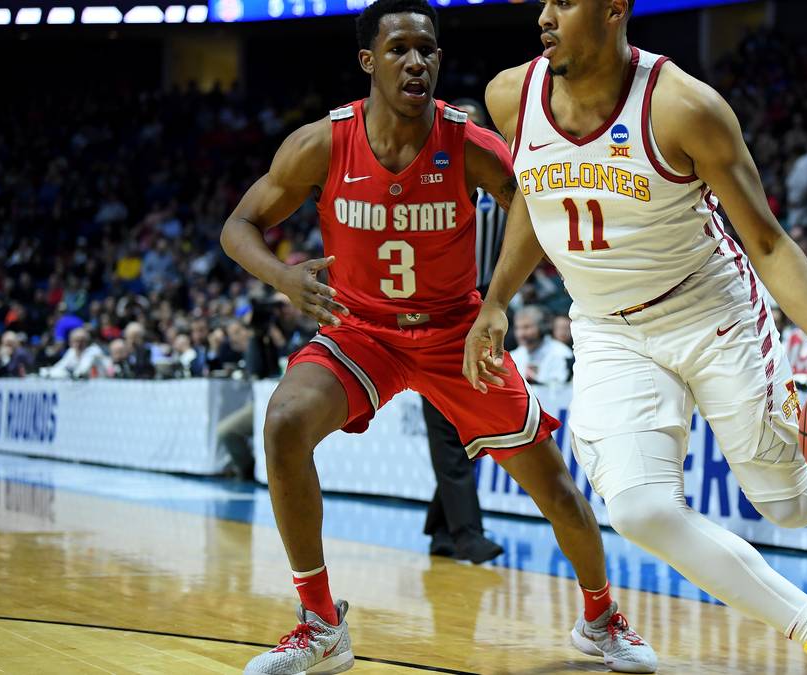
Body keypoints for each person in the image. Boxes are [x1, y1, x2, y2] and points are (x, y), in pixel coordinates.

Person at [465, 2, 807, 671]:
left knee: (785, 501)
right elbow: (539, 205)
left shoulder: (684, 106)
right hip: (605, 327)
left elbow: (767, 243)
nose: (544, 15)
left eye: (564, 1)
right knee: (638, 508)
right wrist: (497, 299)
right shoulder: (511, 95)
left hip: (710, 311)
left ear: (613, 10)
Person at [221, 3, 655, 673]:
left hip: (456, 333)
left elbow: (535, 213)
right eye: (399, 50)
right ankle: (320, 623)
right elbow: (239, 226)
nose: (416, 61)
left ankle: (601, 616)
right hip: (362, 334)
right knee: (282, 421)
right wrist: (283, 276)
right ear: (370, 61)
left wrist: (500, 302)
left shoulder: (468, 142)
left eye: (427, 49)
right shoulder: (323, 142)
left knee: (556, 489)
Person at [420, 96, 506, 566]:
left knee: (475, 424)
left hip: (485, 304)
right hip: (437, 311)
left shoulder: (500, 188)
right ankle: (466, 532)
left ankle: (441, 528)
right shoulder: (425, 189)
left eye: (470, 127)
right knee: (451, 427)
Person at [510, 305, 573, 385]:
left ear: (541, 327)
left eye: (526, 327)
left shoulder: (561, 353)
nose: (520, 334)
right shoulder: (513, 356)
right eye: (517, 328)